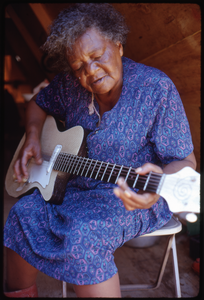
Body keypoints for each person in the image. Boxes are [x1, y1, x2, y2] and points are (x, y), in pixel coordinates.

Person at [4, 3, 196, 298]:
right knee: (22, 213)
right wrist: (32, 136)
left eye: (96, 57)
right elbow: (39, 102)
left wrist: (158, 184)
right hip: (77, 187)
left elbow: (185, 161)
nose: (90, 72)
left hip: (135, 193)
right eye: (79, 67)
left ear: (118, 45)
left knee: (82, 237)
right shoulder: (70, 86)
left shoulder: (157, 89)